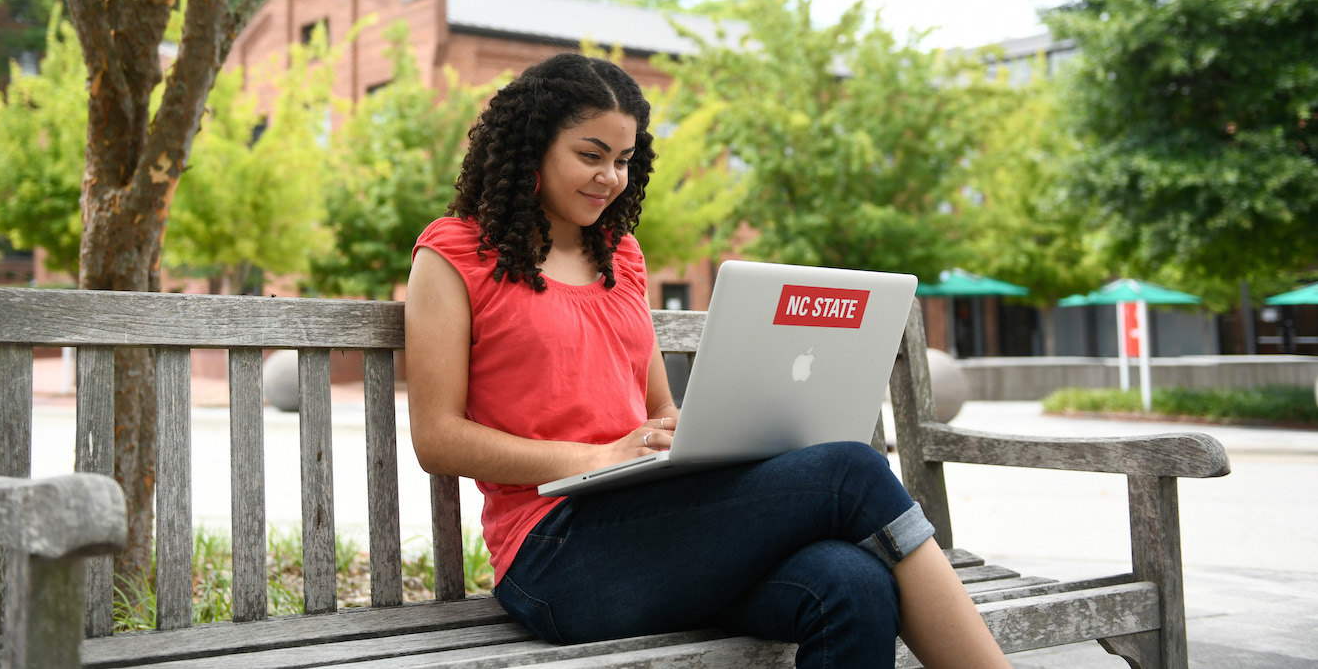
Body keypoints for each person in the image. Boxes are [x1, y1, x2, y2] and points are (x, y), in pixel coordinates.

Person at [405, 52, 1010, 669]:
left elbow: (658, 409)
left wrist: (679, 435)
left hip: (656, 527)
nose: (610, 177)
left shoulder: (621, 256)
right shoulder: (454, 254)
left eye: (622, 160)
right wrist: (594, 456)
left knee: (852, 581)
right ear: (532, 147)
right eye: (590, 155)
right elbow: (437, 438)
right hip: (554, 556)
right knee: (850, 472)